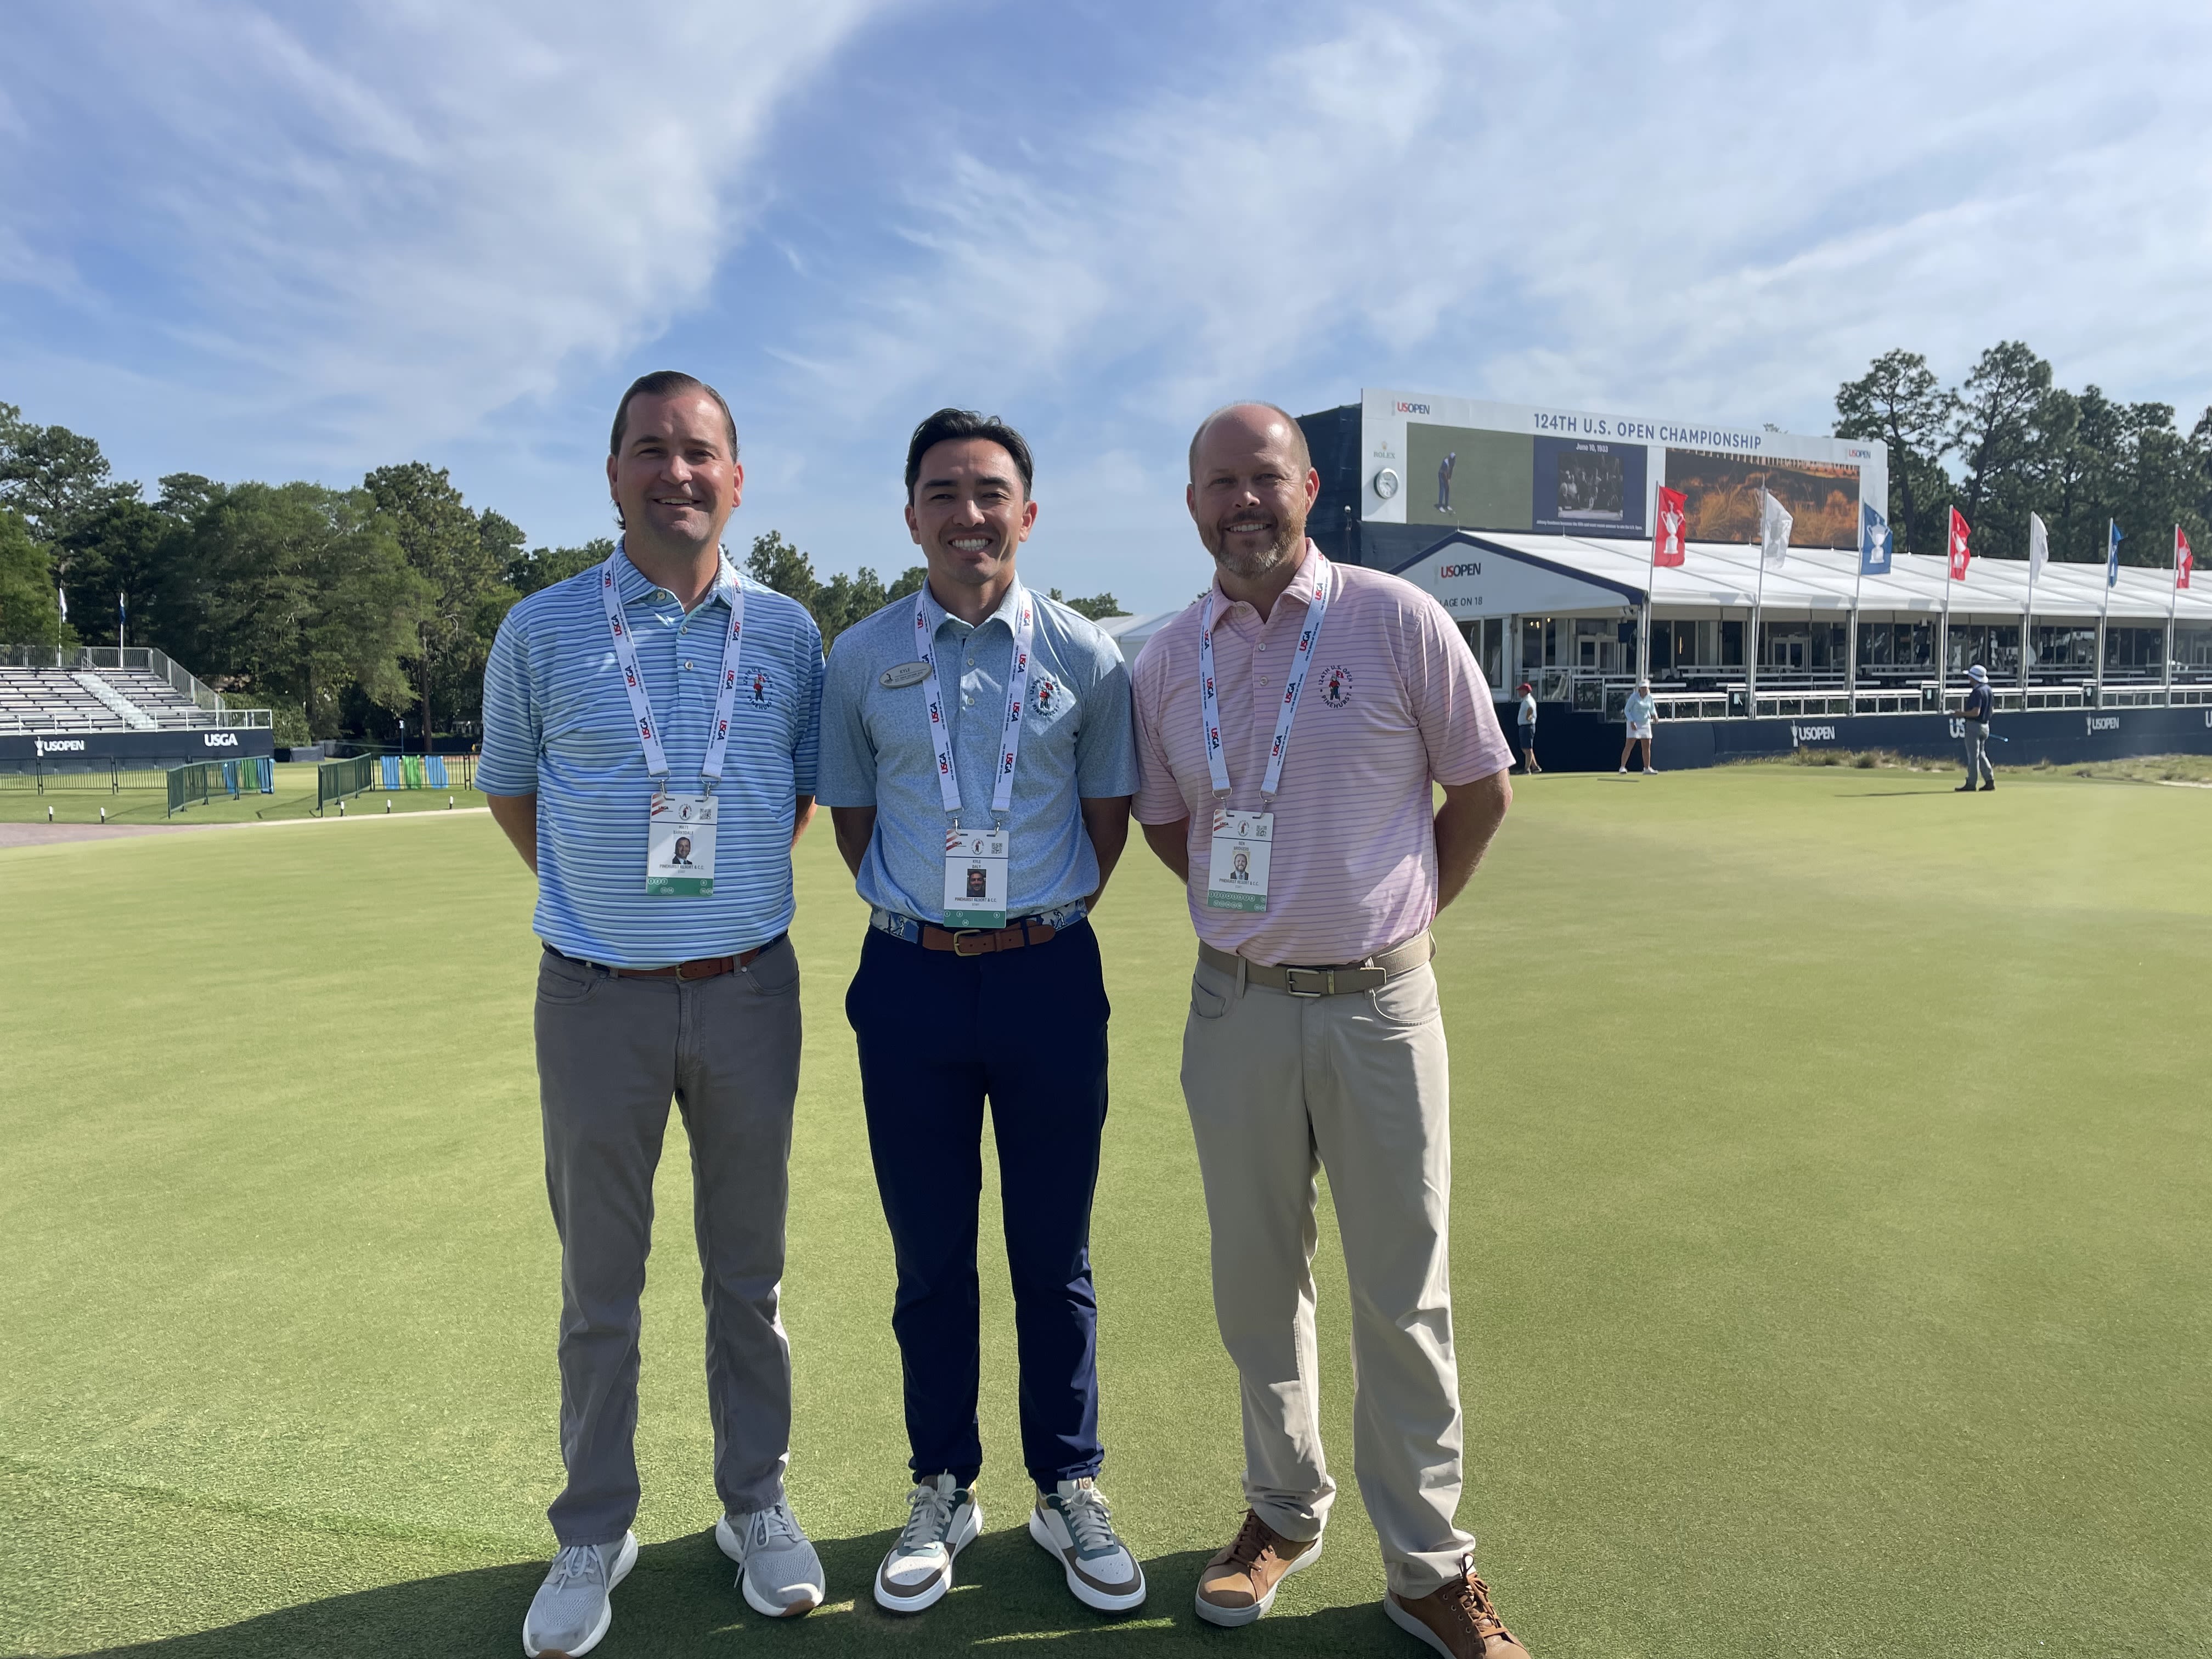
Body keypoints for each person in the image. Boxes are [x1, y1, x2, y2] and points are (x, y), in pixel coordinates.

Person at [1130, 403, 1528, 1658]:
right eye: (1219, 483)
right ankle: (1281, 1512)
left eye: (1267, 478)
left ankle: (1427, 1565)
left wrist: (1395, 926)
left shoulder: (1395, 619)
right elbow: (1166, 826)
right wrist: (1257, 922)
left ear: (1311, 488)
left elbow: (1481, 789)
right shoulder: (1161, 659)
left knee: (1403, 1294)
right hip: (1236, 1006)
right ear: (1192, 502)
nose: (1244, 502)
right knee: (1258, 1285)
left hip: (1379, 1008)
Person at [481, 370, 828, 1658]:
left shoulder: (789, 633)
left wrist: (709, 910)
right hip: (594, 999)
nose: (675, 473)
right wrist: (605, 914)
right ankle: (595, 1528)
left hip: (748, 989)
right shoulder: (542, 628)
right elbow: (516, 793)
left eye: (700, 454)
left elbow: (793, 798)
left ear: (737, 479)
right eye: (649, 452)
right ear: (612, 474)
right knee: (600, 1285)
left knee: (749, 1274)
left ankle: (755, 1504)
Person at [816, 408, 1147, 1619]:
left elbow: (1104, 825)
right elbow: (855, 825)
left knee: (1053, 1254)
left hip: (1050, 973)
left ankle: (1066, 1486)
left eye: (991, 492)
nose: (970, 515)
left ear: (1029, 511)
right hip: (908, 976)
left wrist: (1026, 922)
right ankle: (943, 1483)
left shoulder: (1087, 656)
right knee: (930, 1257)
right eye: (944, 493)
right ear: (911, 515)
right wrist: (940, 919)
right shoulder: (856, 660)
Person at [1959, 663, 1995, 792]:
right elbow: (1991, 711)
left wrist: (1960, 714)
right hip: (1985, 725)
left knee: (1973, 756)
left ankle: (1971, 783)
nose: (1969, 679)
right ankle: (1989, 780)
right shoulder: (1988, 690)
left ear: (1974, 678)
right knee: (1981, 754)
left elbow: (1975, 712)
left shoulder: (1977, 692)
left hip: (1974, 726)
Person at [1618, 681, 1656, 774]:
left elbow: (1652, 708)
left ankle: (1647, 768)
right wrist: (1631, 721)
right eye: (1643, 688)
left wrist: (1655, 715)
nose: (1644, 689)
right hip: (1634, 723)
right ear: (1639, 689)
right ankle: (1622, 767)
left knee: (1647, 745)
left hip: (1645, 723)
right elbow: (1627, 710)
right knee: (1629, 745)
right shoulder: (1634, 697)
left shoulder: (1650, 697)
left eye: (1646, 688)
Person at [1514, 682, 1541, 774]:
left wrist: (1529, 717)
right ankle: (1535, 767)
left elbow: (1530, 709)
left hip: (1527, 726)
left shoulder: (1528, 701)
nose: (1519, 693)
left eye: (1520, 691)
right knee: (1526, 748)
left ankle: (1527, 770)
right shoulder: (1527, 700)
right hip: (1525, 726)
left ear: (1525, 691)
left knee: (1528, 749)